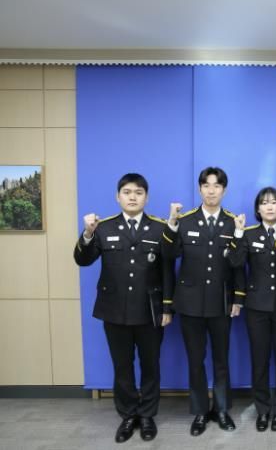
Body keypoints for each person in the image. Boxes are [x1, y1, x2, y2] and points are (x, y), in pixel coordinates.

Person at [74, 173, 174, 443]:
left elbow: (168, 270)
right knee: (122, 366)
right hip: (114, 309)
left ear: (146, 198)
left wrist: (167, 308)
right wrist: (87, 234)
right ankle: (129, 415)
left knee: (151, 365)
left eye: (138, 193)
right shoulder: (103, 227)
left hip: (149, 310)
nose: (132, 197)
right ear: (117, 197)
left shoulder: (159, 228)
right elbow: (83, 260)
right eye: (127, 192)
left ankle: (147, 415)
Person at [161, 166, 245, 437]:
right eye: (206, 186)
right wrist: (171, 224)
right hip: (190, 303)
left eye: (216, 186)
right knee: (195, 359)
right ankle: (199, 411)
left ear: (224, 190)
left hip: (221, 302)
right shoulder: (184, 221)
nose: (211, 191)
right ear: (200, 189)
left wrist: (238, 298)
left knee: (221, 360)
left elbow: (238, 265)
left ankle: (221, 409)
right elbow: (169, 255)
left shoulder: (233, 222)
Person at [228, 187, 276, 432]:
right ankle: (263, 409)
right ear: (258, 209)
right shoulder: (248, 233)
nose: (269, 206)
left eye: (274, 202)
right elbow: (235, 262)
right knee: (260, 359)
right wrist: (237, 232)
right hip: (256, 307)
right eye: (264, 203)